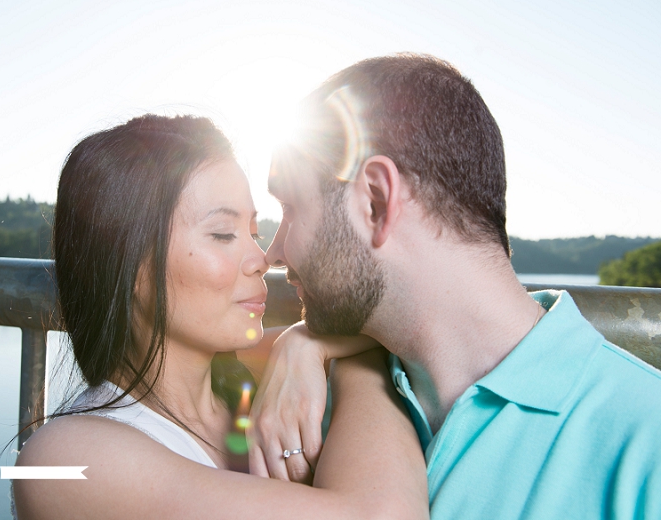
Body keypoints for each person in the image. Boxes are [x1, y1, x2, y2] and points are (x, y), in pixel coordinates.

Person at [249, 55, 661, 518]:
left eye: (289, 207)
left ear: (376, 203)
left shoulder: (648, 440)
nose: (273, 253)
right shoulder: (324, 400)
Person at [12, 114, 429, 519]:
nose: (262, 259)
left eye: (254, 232)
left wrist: (304, 344)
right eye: (223, 234)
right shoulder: (68, 462)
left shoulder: (265, 368)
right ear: (130, 267)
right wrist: (339, 357)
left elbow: (392, 326)